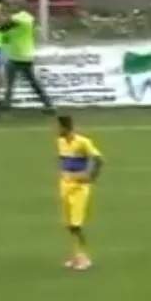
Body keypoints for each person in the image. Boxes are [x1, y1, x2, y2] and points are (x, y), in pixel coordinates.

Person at [55, 115, 103, 270]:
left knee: (77, 225)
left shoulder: (83, 142)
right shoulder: (60, 142)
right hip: (65, 187)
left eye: (58, 127)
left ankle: (84, 257)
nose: (55, 130)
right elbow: (63, 160)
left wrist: (90, 176)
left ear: (65, 128)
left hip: (79, 189)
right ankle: (76, 255)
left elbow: (98, 159)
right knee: (69, 225)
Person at [1, 0, 53, 112]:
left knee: (11, 82)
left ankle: (6, 105)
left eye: (12, 4)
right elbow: (7, 33)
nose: (10, 6)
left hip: (17, 55)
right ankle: (48, 103)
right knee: (32, 82)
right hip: (24, 54)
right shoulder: (28, 18)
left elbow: (3, 28)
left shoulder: (18, 18)